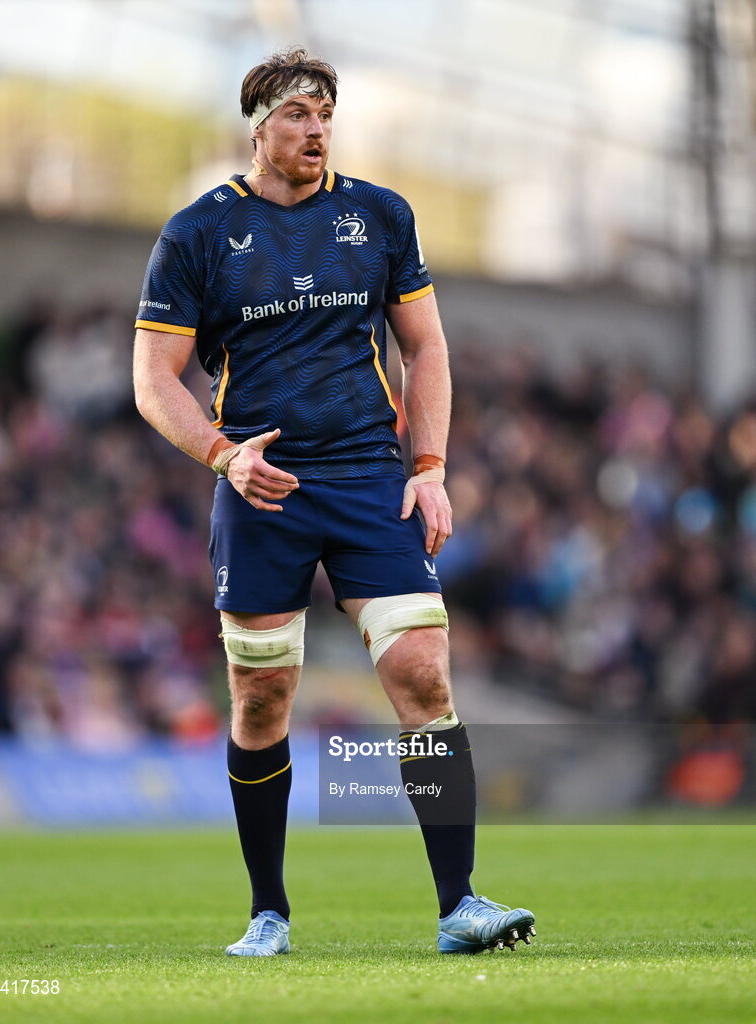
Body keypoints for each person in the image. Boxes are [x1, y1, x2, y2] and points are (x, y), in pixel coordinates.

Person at [133, 47, 535, 957]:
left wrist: (427, 466)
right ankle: (268, 912)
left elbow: (425, 349)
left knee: (425, 677)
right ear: (258, 128)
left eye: (324, 115)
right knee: (263, 698)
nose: (315, 131)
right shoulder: (197, 234)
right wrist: (221, 456)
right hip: (261, 486)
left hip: (367, 481)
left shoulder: (380, 215)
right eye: (297, 117)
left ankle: (459, 905)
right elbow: (153, 379)